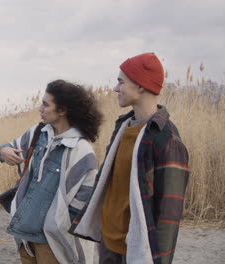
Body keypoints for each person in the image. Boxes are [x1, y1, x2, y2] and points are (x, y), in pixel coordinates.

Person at [69, 53, 190, 264]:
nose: (115, 88)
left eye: (121, 82)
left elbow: (168, 215)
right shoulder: (123, 127)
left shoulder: (166, 139)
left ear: (141, 85)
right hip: (108, 245)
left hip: (135, 253)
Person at [0, 80, 103, 264]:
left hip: (53, 243)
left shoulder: (81, 150)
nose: (40, 108)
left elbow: (85, 200)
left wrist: (56, 225)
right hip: (24, 237)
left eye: (45, 104)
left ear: (62, 110)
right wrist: (2, 151)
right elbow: (2, 151)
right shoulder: (37, 133)